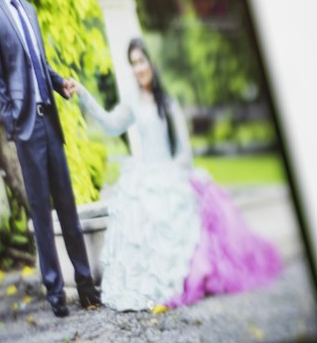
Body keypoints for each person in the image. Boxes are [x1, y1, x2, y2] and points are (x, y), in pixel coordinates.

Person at [77, 38, 282, 312]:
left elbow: (184, 152)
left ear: (151, 62)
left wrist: (171, 173)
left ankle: (186, 276)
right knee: (140, 211)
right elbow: (111, 124)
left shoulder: (168, 103)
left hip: (169, 172)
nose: (139, 68)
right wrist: (83, 94)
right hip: (145, 175)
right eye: (133, 63)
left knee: (187, 206)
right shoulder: (132, 102)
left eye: (142, 60)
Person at [0, 0, 101, 319]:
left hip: (50, 119)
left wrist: (60, 83)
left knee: (68, 207)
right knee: (43, 216)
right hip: (27, 126)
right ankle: (55, 293)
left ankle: (85, 286)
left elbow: (38, 64)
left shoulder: (28, 10)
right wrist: (12, 124)